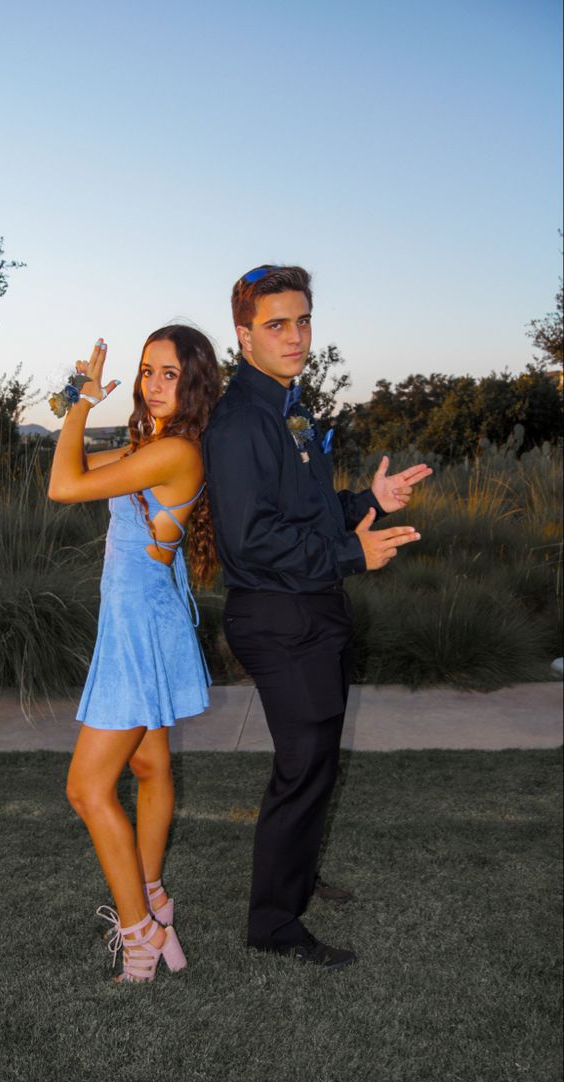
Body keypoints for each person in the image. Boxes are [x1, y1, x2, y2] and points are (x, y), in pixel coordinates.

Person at [203, 264, 432, 970]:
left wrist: (367, 501)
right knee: (301, 771)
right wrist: (351, 554)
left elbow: (302, 512)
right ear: (243, 335)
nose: (296, 336)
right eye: (277, 324)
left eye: (303, 320)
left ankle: (296, 880)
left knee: (317, 764)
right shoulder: (241, 421)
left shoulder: (284, 404)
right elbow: (251, 541)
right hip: (279, 617)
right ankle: (273, 925)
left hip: (311, 609)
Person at [48, 324, 221, 982]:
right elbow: (72, 471)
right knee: (149, 768)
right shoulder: (152, 447)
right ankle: (153, 899)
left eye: (168, 373)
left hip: (136, 628)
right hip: (143, 618)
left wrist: (78, 401)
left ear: (195, 382)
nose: (151, 384)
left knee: (87, 790)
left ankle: (139, 934)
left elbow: (61, 488)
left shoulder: (174, 451)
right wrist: (77, 410)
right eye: (146, 370)